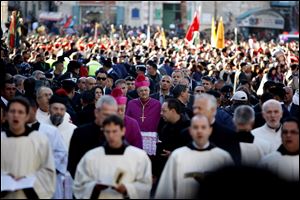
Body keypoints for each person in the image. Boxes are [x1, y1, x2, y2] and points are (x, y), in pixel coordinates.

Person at [73, 115, 152, 199]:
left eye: (115, 131)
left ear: (123, 131)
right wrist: (94, 187)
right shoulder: (91, 156)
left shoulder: (138, 156)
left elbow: (145, 184)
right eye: (107, 131)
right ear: (103, 132)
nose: (111, 136)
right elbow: (79, 184)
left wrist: (127, 189)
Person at [155, 115, 233, 199]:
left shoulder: (223, 157)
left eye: (203, 127)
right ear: (190, 131)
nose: (199, 131)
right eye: (195, 127)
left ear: (210, 130)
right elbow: (166, 190)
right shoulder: (177, 156)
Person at [1, 97, 56, 198]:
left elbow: (48, 171)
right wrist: (6, 180)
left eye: (20, 112)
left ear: (27, 116)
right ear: (6, 115)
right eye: (12, 111)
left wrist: (26, 180)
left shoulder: (40, 140)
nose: (16, 115)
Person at [26, 98, 72, 198]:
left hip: (51, 179)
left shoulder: (53, 131)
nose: (58, 112)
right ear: (49, 109)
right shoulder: (39, 127)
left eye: (62, 109)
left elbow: (61, 155)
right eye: (55, 108)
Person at [68, 95, 118, 178]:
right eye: (106, 115)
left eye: (112, 116)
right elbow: (73, 163)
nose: (109, 119)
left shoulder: (118, 134)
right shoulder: (80, 133)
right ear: (96, 112)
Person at [126, 74, 161, 156]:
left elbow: (160, 121)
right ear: (137, 92)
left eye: (145, 90)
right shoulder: (131, 103)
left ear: (149, 91)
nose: (143, 92)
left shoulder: (157, 104)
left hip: (151, 137)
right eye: (141, 91)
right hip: (136, 136)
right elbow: (127, 119)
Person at [155, 98, 190, 177]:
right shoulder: (165, 126)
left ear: (173, 111)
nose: (161, 113)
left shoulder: (188, 127)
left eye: (164, 111)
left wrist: (174, 154)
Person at [259, 117, 299, 182]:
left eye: (293, 132)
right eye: (285, 132)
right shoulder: (267, 162)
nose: (288, 135)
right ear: (281, 135)